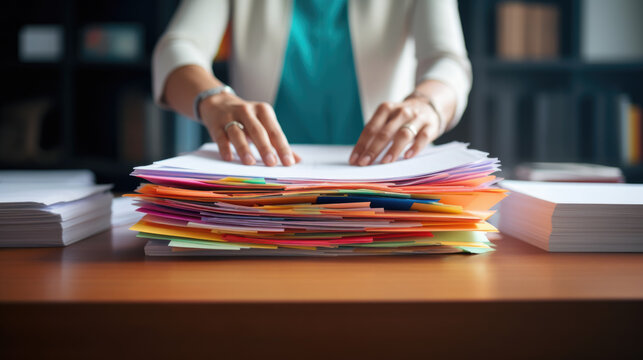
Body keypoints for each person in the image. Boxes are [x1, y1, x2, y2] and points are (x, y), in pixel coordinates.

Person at [153, 0, 471, 167]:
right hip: (262, 181)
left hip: (385, 175)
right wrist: (214, 99)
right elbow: (177, 47)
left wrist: (427, 103)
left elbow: (448, 60)